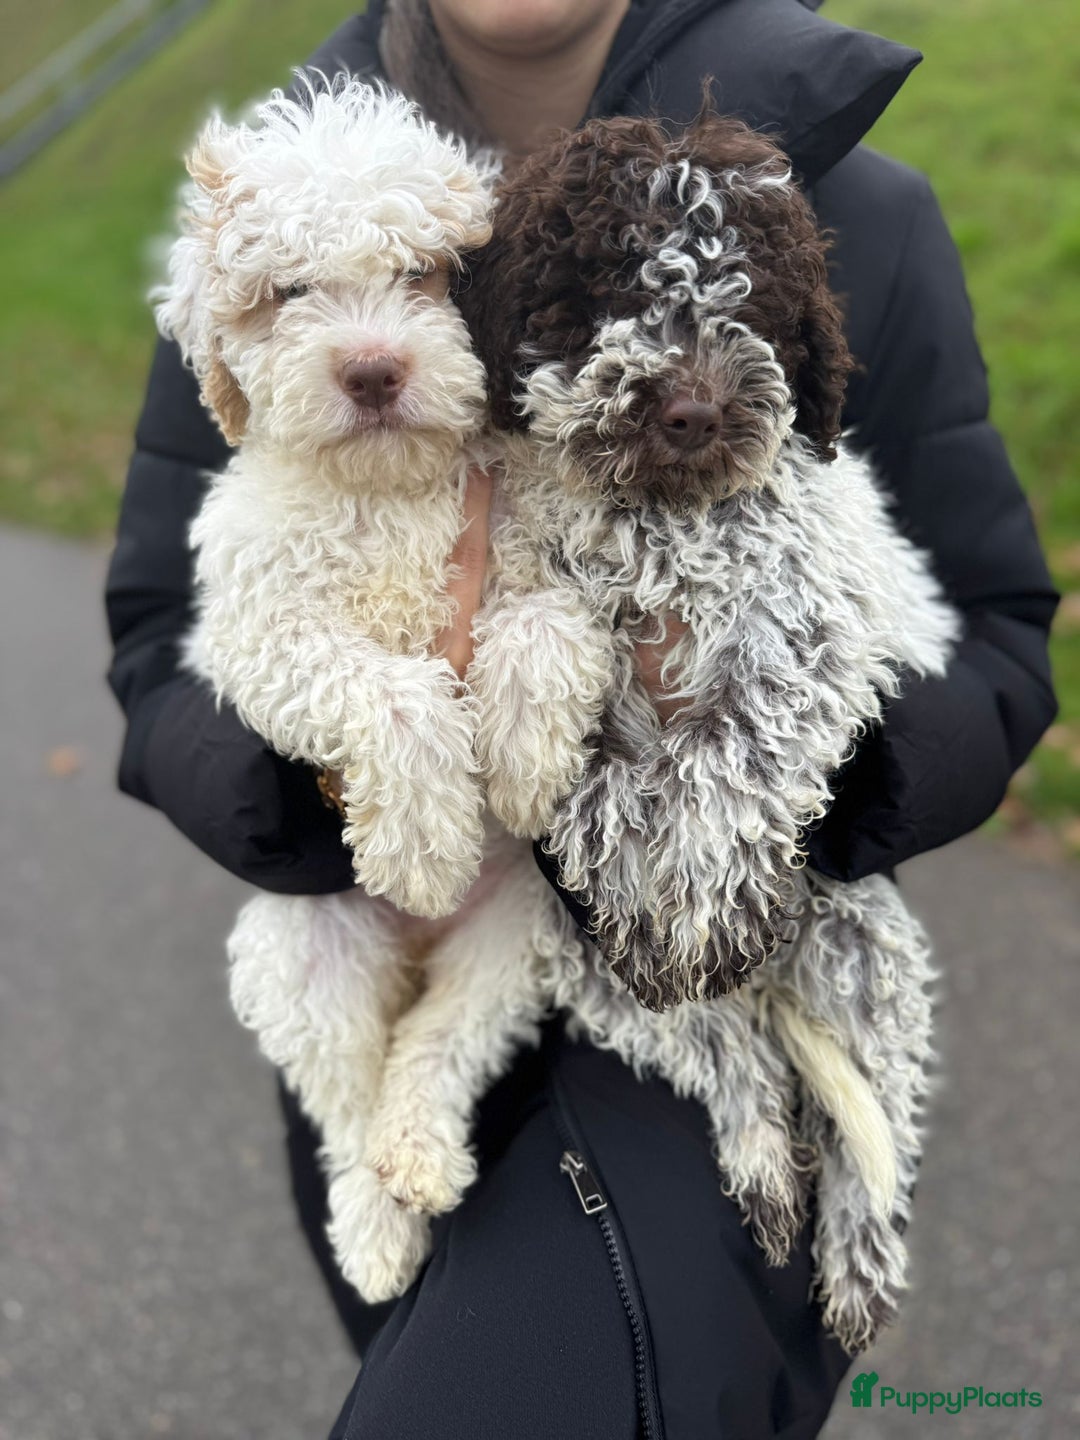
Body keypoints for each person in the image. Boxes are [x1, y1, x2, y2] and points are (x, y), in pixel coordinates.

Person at [104, 1, 1059, 1435]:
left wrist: (776, 773)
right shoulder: (276, 210)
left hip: (717, 999)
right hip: (413, 969)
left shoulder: (851, 200)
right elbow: (160, 647)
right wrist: (329, 788)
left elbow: (996, 634)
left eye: (426, 280)